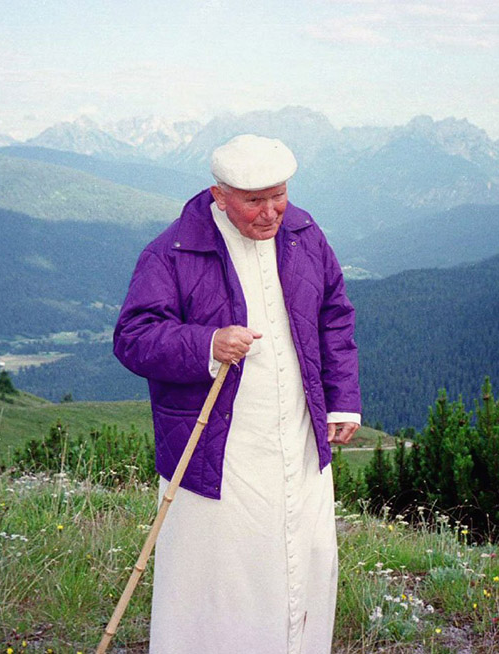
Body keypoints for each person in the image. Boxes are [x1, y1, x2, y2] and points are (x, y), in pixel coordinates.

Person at [113, 134, 361, 653]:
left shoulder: (304, 233)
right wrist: (207, 342)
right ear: (219, 195)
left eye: (280, 194)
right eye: (255, 200)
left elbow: (333, 314)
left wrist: (341, 399)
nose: (272, 212)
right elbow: (133, 338)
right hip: (217, 449)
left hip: (296, 431)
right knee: (224, 572)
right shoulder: (172, 250)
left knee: (303, 554)